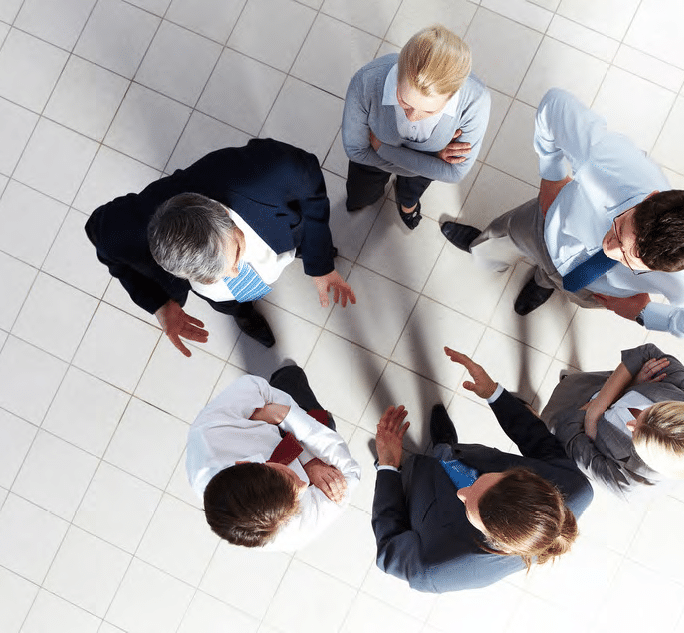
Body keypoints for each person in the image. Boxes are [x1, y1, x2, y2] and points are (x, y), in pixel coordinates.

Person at [440, 88, 684, 343]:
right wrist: (551, 176)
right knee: (500, 237)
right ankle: (484, 253)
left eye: (629, 258)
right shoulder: (608, 162)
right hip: (547, 223)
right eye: (619, 228)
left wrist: (648, 315)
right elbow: (553, 105)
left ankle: (544, 282)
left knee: (567, 285)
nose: (610, 248)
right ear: (651, 198)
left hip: (598, 289)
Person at [85, 138, 355, 356]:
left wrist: (320, 263)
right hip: (224, 295)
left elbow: (308, 178)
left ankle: (304, 251)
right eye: (212, 276)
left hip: (282, 233)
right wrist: (159, 304)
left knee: (307, 243)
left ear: (224, 215)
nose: (235, 274)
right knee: (233, 303)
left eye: (235, 255)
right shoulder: (121, 233)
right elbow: (102, 242)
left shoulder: (269, 172)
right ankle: (243, 314)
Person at [370, 346, 592, 592]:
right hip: (463, 457)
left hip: (418, 499)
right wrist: (493, 393)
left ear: (497, 540)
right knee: (446, 452)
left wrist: (388, 465)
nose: (461, 492)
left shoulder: (436, 570)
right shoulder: (576, 487)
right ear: (524, 476)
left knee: (404, 475)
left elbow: (389, 546)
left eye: (469, 507)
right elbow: (541, 444)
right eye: (482, 480)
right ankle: (444, 446)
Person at [187, 365, 360, 551]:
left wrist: (288, 418)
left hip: (286, 409)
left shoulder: (210, 431)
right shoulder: (291, 531)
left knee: (290, 377)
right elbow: (350, 473)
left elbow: (256, 388)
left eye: (289, 476)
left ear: (245, 463)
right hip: (302, 431)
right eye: (295, 499)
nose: (304, 485)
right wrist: (284, 417)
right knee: (323, 421)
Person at [342, 24, 490, 230]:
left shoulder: (476, 101)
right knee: (361, 193)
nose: (412, 118)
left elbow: (455, 173)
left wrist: (381, 147)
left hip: (382, 155)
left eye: (429, 111)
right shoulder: (366, 81)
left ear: (452, 95)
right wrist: (432, 161)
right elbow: (356, 151)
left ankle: (407, 202)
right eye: (404, 101)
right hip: (399, 165)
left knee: (412, 190)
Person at [542, 343, 684, 499]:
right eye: (646, 411)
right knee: (574, 383)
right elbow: (647, 353)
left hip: (566, 414)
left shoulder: (630, 483)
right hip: (595, 385)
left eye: (636, 435)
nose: (630, 424)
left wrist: (596, 412)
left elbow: (568, 437)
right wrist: (598, 411)